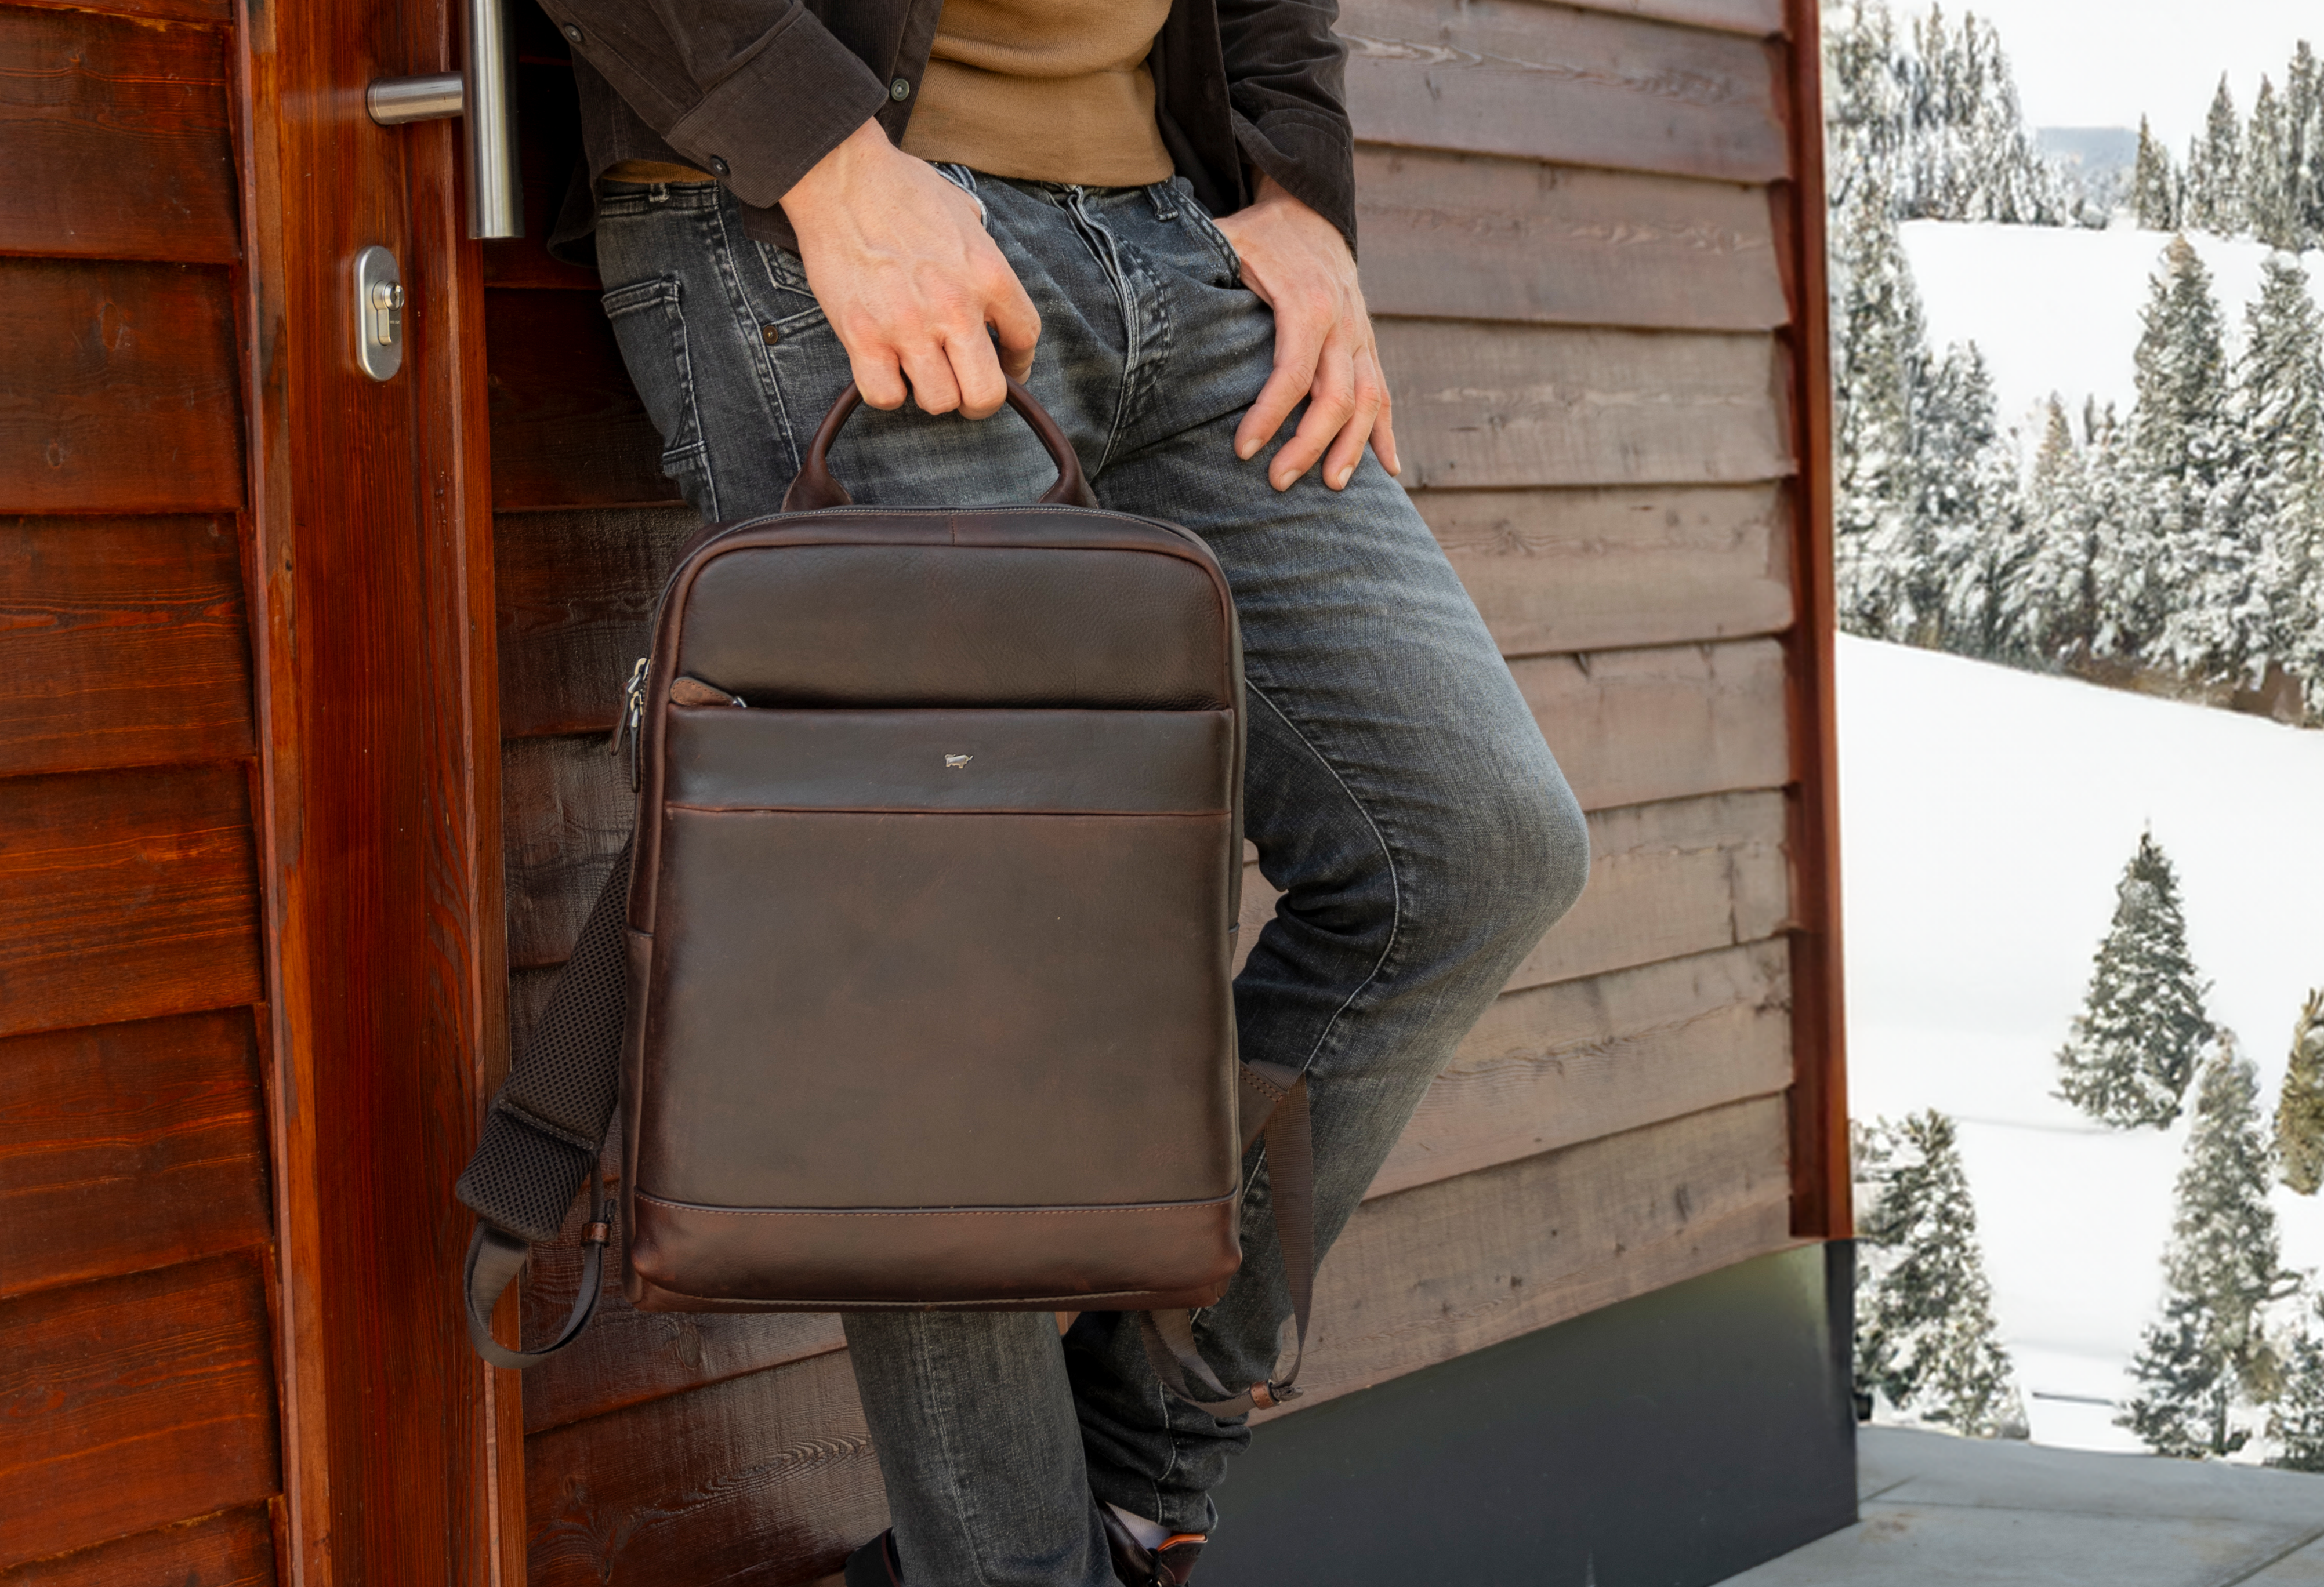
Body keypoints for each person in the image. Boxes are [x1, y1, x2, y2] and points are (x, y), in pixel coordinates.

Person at [530, 2, 1591, 1581]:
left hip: (1174, 237)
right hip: (827, 208)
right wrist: (817, 151)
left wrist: (1294, 188)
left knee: (1469, 849)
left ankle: (1133, 1454)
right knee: (947, 949)